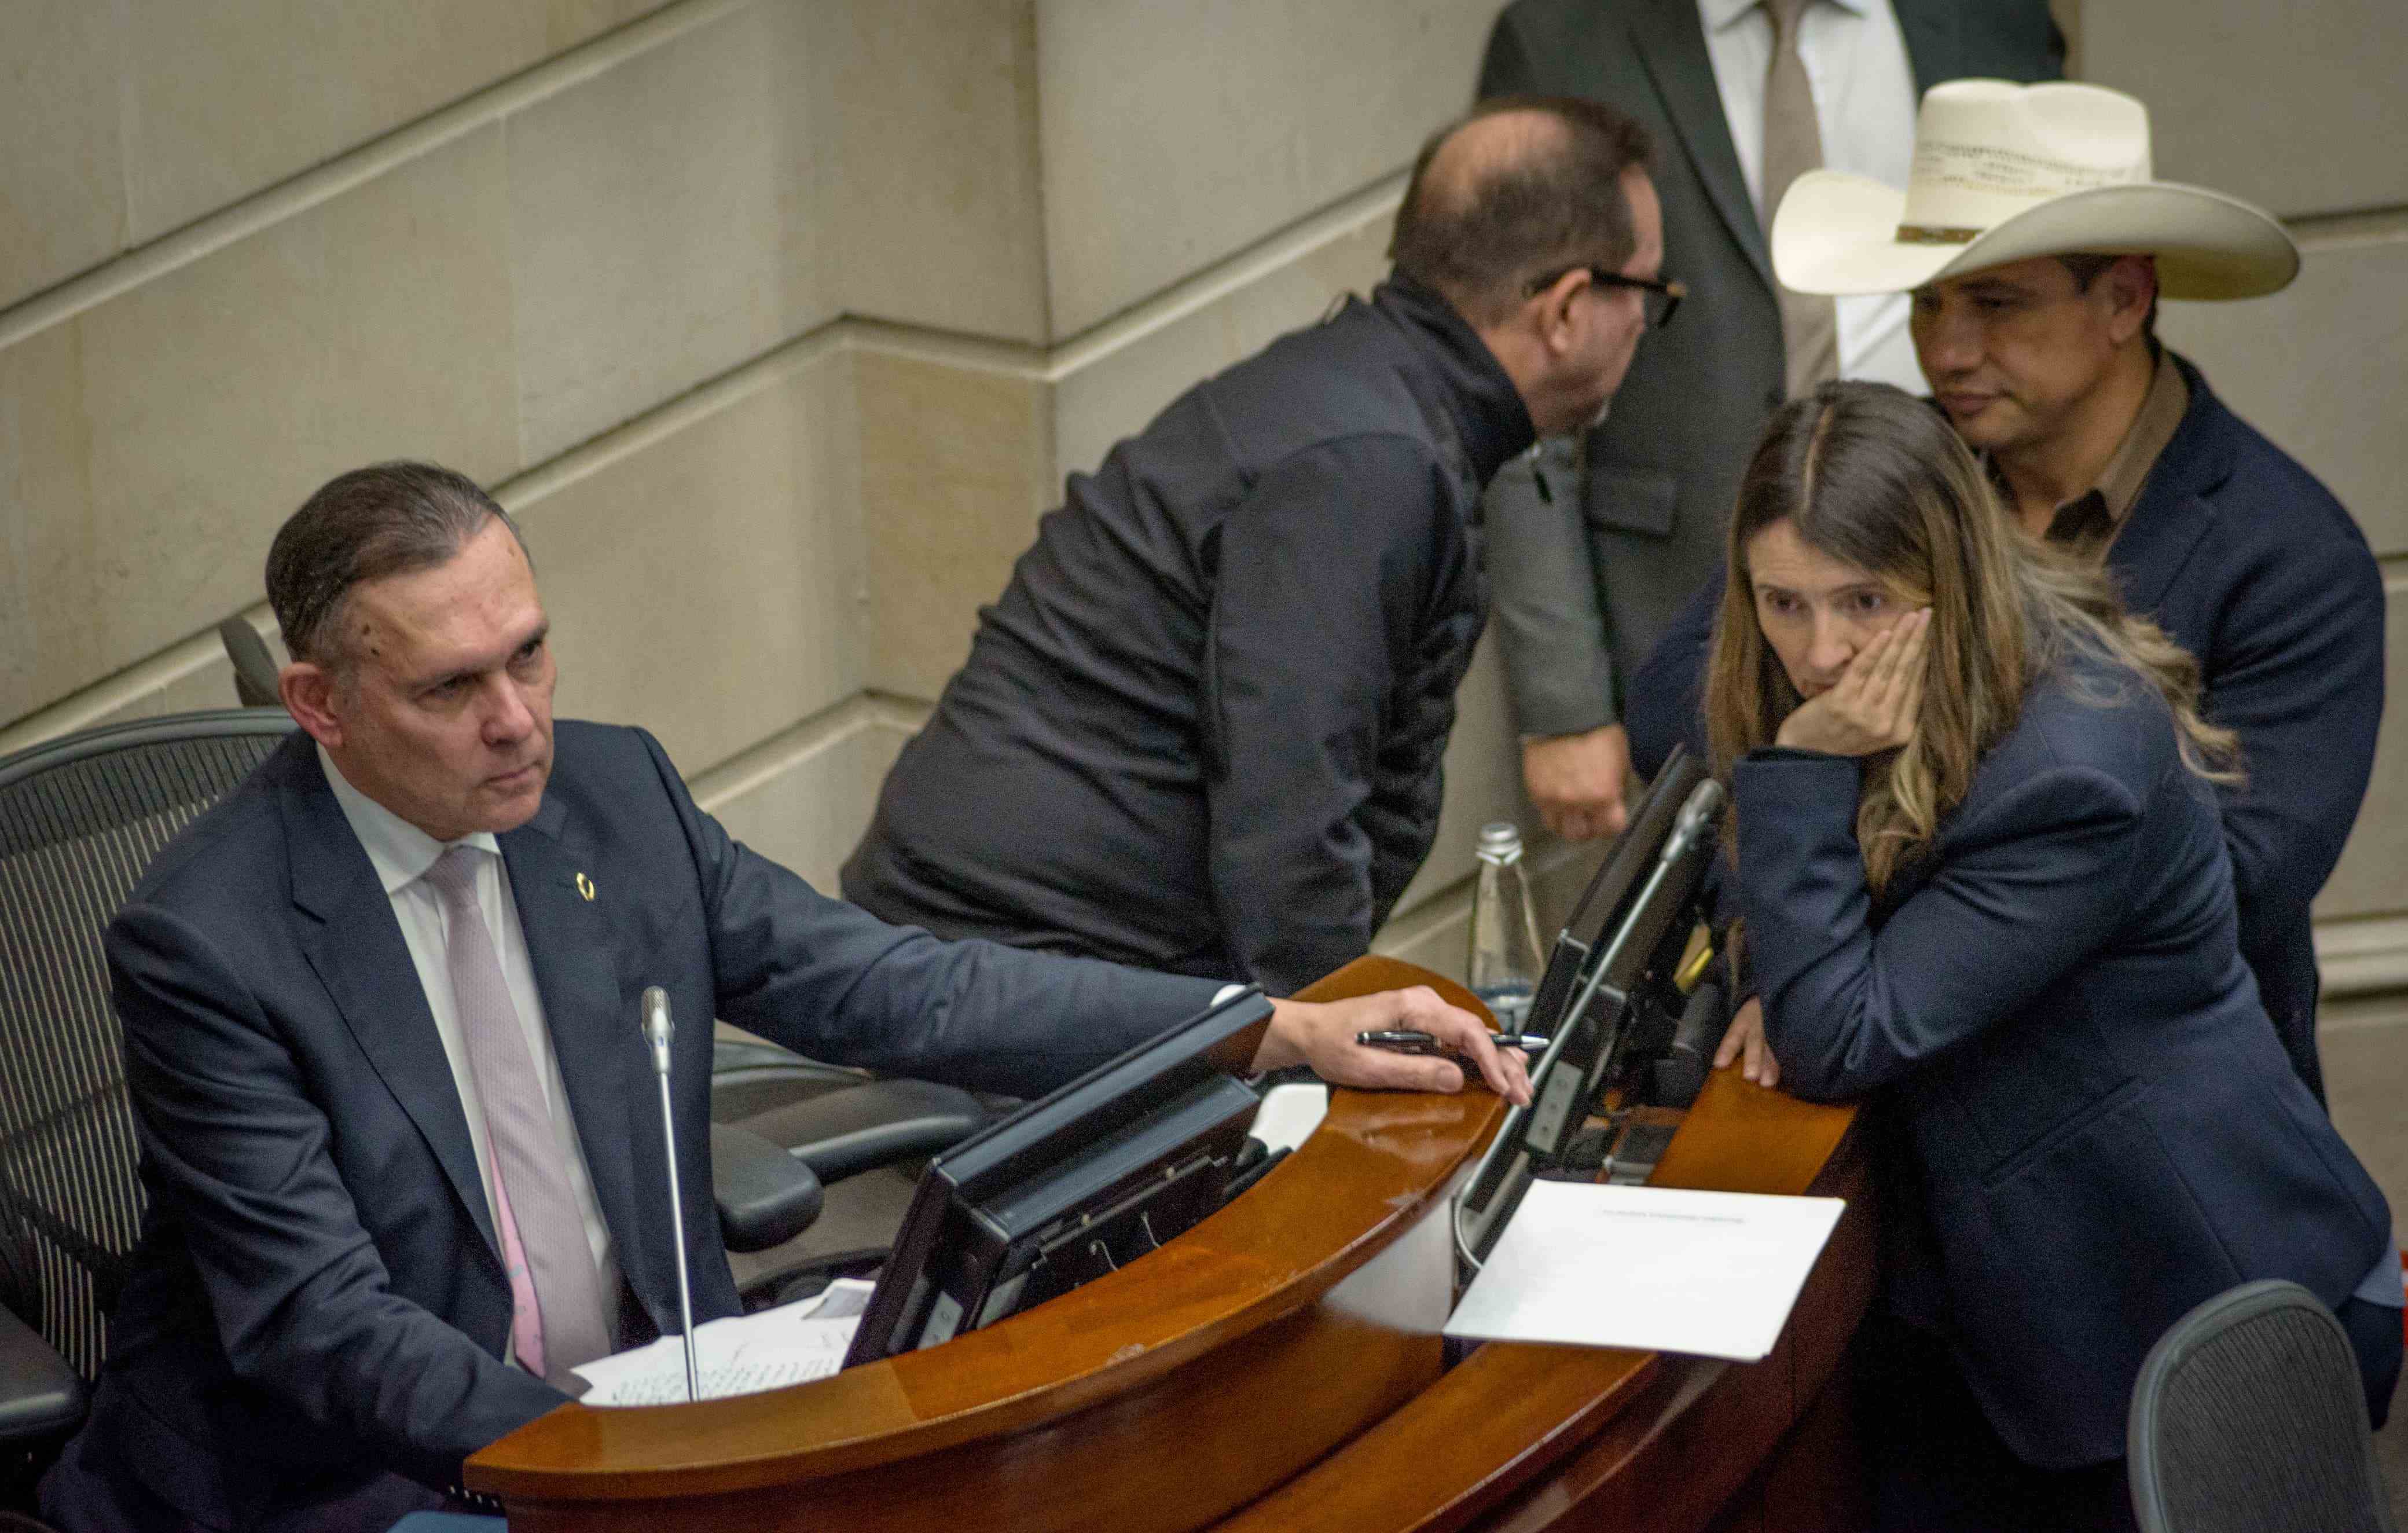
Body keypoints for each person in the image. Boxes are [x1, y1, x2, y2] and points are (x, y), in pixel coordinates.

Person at [38, 463, 1529, 1533]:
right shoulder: (209, 942)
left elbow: (899, 988)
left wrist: (1259, 1027)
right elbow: (326, 1325)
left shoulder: (608, 795)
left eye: (532, 655)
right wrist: (615, 1467)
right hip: (370, 1481)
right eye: (452, 690)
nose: (518, 722)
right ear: (322, 709)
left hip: (676, 1418)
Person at [1710, 381, 2398, 1531]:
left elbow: (1837, 1033)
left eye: (1864, 600)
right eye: (1782, 603)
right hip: (2011, 1294)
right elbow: (1792, 914)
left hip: (2193, 1303)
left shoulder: (2067, 771)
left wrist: (1800, 775)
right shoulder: (1907, 676)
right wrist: (1770, 965)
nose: (1819, 651)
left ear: (1948, 575)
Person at [1630, 80, 2384, 1098]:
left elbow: (2241, 877)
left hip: (2153, 1139)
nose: (1945, 350)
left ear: (2125, 297)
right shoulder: (1903, 474)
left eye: (1996, 303)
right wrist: (1782, 947)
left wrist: (1836, 949)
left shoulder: (2290, 554)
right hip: (1902, 1122)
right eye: (1928, 301)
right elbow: (1688, 697)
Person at [843, 98, 1668, 997]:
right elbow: (1290, 824)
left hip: (1022, 940)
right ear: (1569, 308)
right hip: (1017, 964)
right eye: (1650, 295)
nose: (1647, 327)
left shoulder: (1369, 401)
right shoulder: (1373, 463)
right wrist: (1331, 1049)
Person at [1472, 0, 2061, 842]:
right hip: (1684, 618)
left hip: (1949, 608)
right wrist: (1563, 703)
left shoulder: (1986, 19)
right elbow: (1525, 368)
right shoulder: (1567, 39)